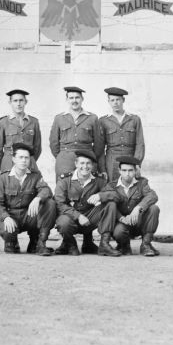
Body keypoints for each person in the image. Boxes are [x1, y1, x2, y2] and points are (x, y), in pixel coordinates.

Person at [49, 86, 105, 252]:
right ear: (67, 99)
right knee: (64, 197)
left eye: (77, 97)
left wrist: (91, 161)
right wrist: (63, 158)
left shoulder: (92, 118)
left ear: (82, 99)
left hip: (87, 159)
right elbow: (53, 143)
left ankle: (88, 240)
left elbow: (99, 143)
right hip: (64, 160)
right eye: (71, 97)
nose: (74, 100)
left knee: (87, 196)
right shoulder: (59, 118)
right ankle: (67, 240)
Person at [0, 143, 56, 256]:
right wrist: (5, 217)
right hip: (11, 216)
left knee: (49, 203)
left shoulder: (35, 176)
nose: (24, 160)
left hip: (28, 216)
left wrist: (37, 199)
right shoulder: (3, 178)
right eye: (20, 157)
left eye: (26, 158)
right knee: (8, 234)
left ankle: (38, 243)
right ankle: (12, 242)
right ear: (14, 159)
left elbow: (46, 190)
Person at [54, 149, 120, 257]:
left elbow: (115, 195)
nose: (85, 166)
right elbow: (59, 204)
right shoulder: (65, 180)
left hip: (90, 219)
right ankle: (70, 244)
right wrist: (78, 216)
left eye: (88, 163)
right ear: (76, 164)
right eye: (82, 163)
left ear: (93, 165)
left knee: (111, 204)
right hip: (72, 219)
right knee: (63, 222)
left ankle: (104, 244)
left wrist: (100, 196)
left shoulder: (99, 180)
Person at [99, 156, 160, 257]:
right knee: (118, 232)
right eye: (124, 170)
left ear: (135, 170)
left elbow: (152, 196)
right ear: (119, 171)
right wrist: (121, 218)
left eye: (130, 170)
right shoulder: (111, 186)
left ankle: (146, 245)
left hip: (138, 222)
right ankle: (124, 245)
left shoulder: (142, 183)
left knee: (154, 208)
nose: (127, 174)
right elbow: (108, 206)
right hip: (122, 224)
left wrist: (138, 208)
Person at [99, 87, 145, 182]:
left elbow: (140, 144)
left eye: (118, 100)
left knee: (130, 188)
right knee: (112, 187)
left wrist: (137, 164)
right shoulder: (103, 121)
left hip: (130, 158)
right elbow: (100, 148)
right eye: (112, 100)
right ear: (109, 101)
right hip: (111, 160)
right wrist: (102, 169)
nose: (115, 103)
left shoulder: (134, 119)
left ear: (123, 100)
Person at [0, 89, 42, 173]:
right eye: (15, 101)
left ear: (26, 102)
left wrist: (28, 160)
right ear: (10, 102)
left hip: (29, 166)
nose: (18, 104)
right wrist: (4, 164)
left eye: (21, 100)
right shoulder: (2, 123)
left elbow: (37, 148)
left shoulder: (34, 122)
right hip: (9, 165)